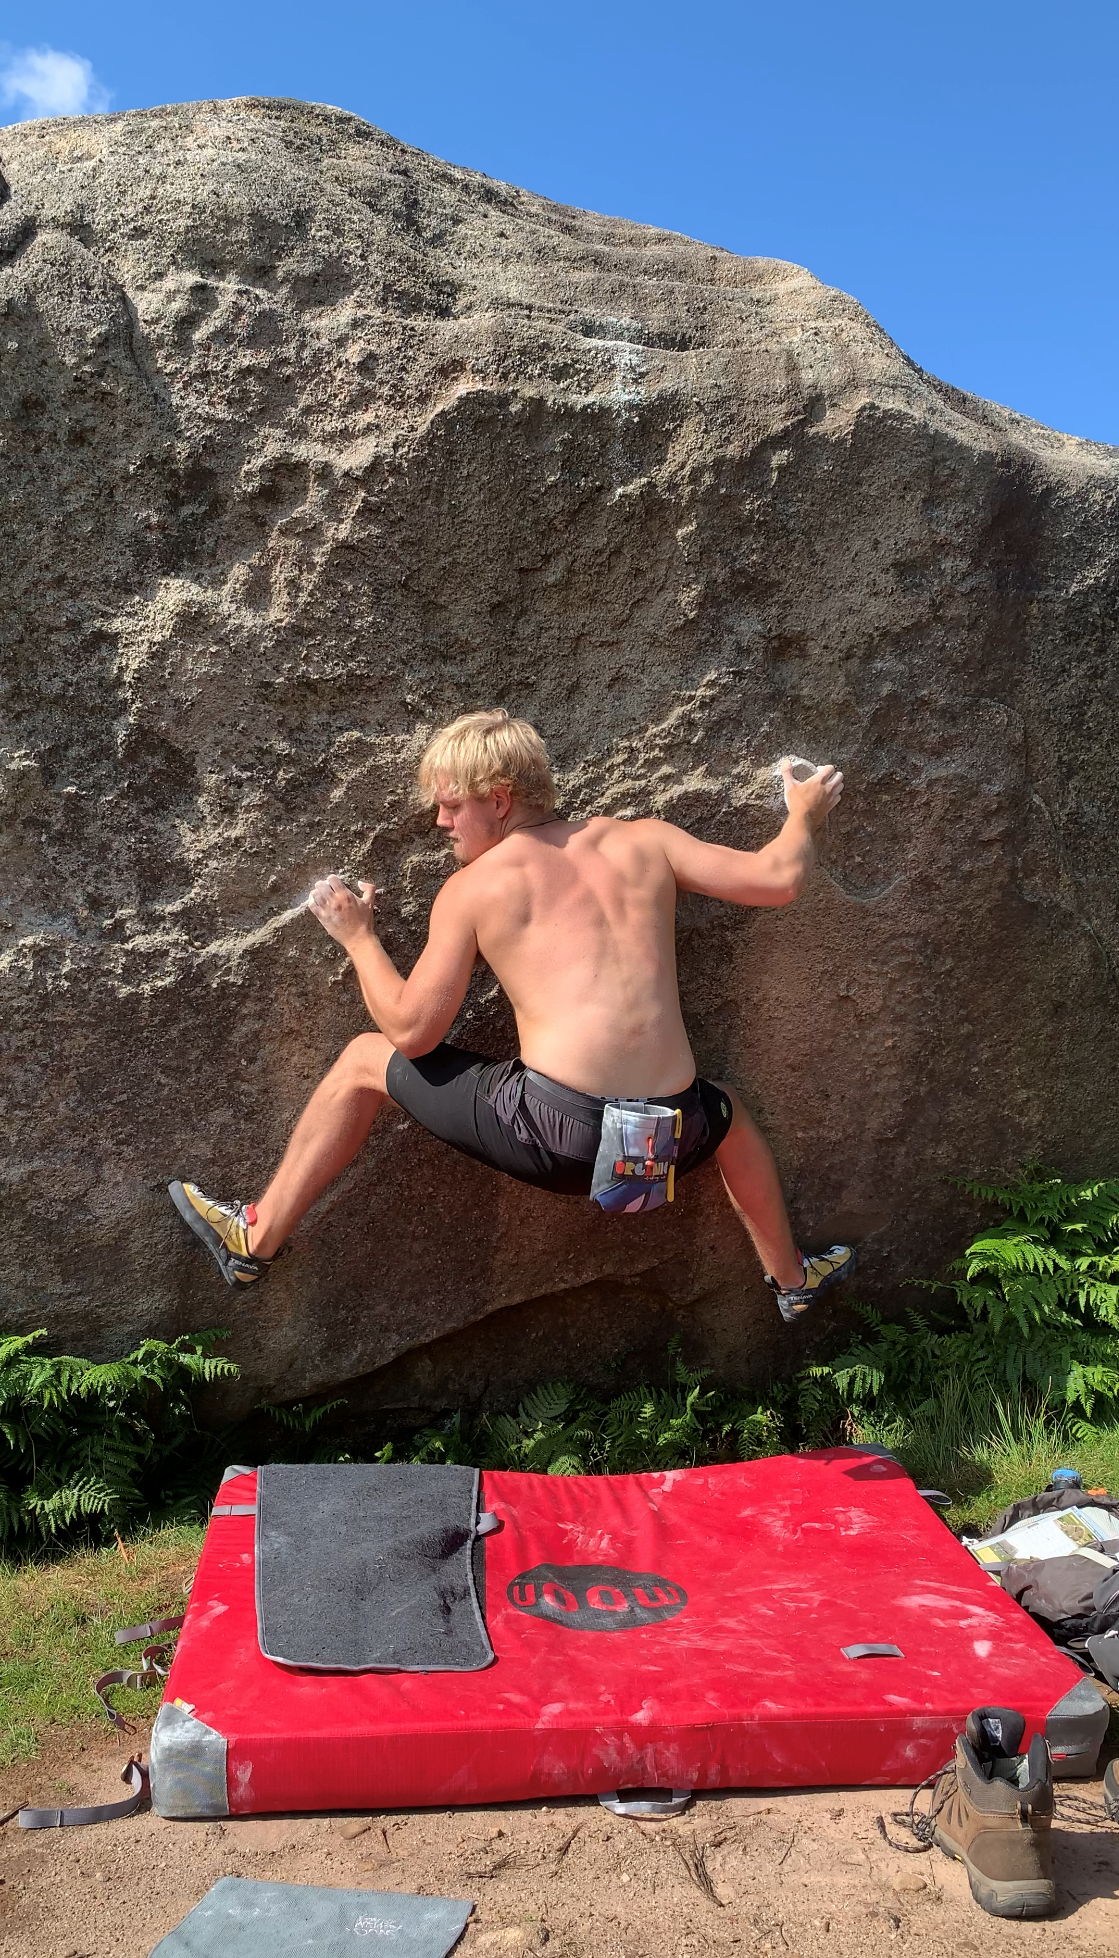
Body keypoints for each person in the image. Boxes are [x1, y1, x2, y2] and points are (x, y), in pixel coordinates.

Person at [170, 710, 855, 1322]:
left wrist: (359, 940)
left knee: (361, 1061)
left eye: (450, 805)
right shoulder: (644, 840)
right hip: (674, 1136)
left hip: (561, 1140)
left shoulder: (475, 888)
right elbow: (778, 879)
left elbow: (412, 1033)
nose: (440, 822)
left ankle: (253, 1239)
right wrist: (802, 814)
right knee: (727, 1109)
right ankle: (791, 1280)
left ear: (498, 799)